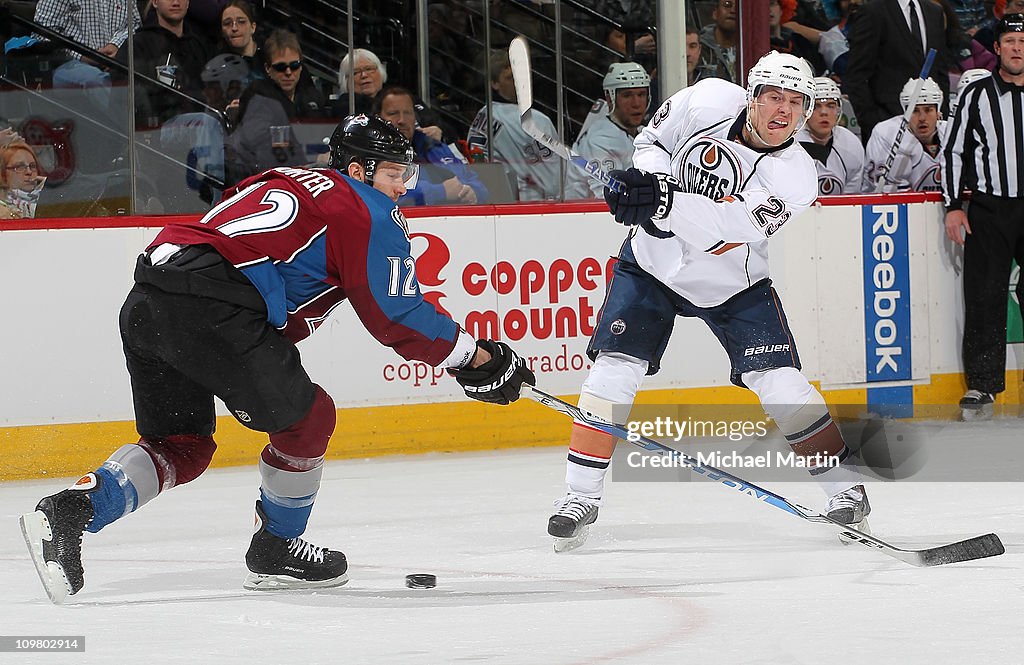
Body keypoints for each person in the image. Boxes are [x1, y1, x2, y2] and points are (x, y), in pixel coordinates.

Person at [19, 114, 535, 604]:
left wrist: (464, 354)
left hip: (149, 297)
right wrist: (477, 356)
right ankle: (277, 548)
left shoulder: (287, 177)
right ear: (358, 171)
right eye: (396, 172)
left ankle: (70, 511)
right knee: (310, 421)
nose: (403, 186)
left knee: (181, 446)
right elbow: (395, 316)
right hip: (213, 307)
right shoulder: (366, 207)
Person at [546, 52, 872, 551]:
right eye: (772, 97)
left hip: (732, 282)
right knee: (614, 369)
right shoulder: (706, 99)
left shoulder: (795, 177)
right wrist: (649, 183)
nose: (782, 111)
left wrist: (663, 203)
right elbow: (652, 142)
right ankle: (579, 496)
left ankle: (845, 490)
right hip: (652, 264)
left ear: (806, 111)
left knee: (780, 382)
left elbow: (723, 234)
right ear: (752, 94)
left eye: (795, 102)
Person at [942, 14, 1024, 420]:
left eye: (1022, 41)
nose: (1016, 48)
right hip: (990, 208)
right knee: (985, 295)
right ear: (997, 48)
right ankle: (983, 385)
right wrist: (953, 205)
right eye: (1009, 41)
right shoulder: (977, 95)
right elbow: (954, 151)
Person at [844, 0, 949, 142]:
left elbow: (940, 70)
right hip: (888, 126)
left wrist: (943, 120)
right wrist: (873, 124)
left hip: (931, 132)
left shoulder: (934, 12)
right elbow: (856, 75)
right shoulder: (873, 11)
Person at [467, 51, 563, 201]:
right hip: (525, 205)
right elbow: (554, 181)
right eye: (510, 78)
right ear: (494, 84)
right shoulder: (534, 121)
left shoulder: (483, 113)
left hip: (487, 199)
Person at [375, 86, 488, 206]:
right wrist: (441, 192)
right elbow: (382, 196)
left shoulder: (435, 147)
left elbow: (476, 183)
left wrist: (474, 192)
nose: (402, 120)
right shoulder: (371, 154)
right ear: (378, 119)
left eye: (408, 113)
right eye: (393, 113)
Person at [33, 0, 142, 108]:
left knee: (145, 72)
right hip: (68, 62)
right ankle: (128, 124)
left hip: (118, 59)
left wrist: (116, 45)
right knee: (95, 80)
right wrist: (82, 55)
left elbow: (134, 24)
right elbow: (42, 34)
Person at [565, 63, 650, 200]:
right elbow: (608, 198)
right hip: (582, 217)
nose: (636, 103)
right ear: (610, 99)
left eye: (641, 94)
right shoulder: (599, 140)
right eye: (627, 95)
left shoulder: (643, 133)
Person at [861, 77, 946, 192]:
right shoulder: (887, 134)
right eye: (914, 111)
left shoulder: (951, 132)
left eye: (928, 110)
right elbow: (890, 194)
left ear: (938, 112)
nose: (922, 118)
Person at [796, 77, 865, 194]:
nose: (824, 112)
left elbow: (852, 200)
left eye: (831, 105)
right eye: (816, 106)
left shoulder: (851, 144)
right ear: (805, 110)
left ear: (839, 110)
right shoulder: (789, 143)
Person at [1, 140, 46, 219]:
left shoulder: (51, 200)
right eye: (19, 167)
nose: (29, 172)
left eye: (32, 166)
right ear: (3, 173)